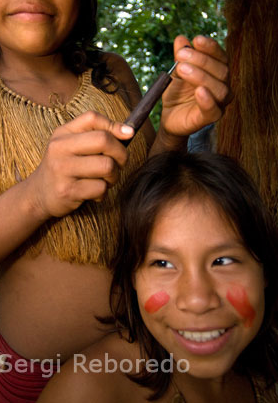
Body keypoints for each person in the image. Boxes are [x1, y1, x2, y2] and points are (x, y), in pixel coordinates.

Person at [0, 0, 229, 401]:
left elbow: (149, 206)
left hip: (152, 360)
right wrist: (36, 195)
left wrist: (172, 135)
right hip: (30, 381)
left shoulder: (112, 74)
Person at [39, 152, 278, 403]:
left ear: (264, 269)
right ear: (132, 277)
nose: (197, 300)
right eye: (163, 263)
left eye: (223, 261)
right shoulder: (87, 391)